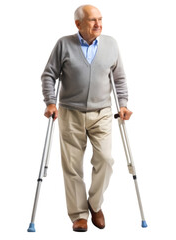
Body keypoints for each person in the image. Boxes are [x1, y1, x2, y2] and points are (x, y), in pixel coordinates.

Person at [41, 4, 132, 232]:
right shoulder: (64, 44)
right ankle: (79, 214)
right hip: (70, 112)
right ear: (78, 24)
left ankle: (95, 203)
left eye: (100, 19)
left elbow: (119, 79)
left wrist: (123, 105)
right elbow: (49, 75)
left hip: (101, 113)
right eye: (92, 20)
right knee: (72, 166)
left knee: (105, 160)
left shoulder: (111, 44)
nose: (98, 24)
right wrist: (50, 102)